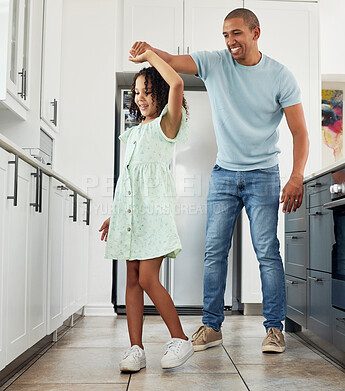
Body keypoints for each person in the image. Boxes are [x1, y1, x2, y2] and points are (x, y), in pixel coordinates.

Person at [130, 7, 309, 354]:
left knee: (267, 252)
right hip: (224, 173)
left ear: (256, 33)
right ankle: (211, 327)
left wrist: (296, 175)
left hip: (263, 175)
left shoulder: (280, 76)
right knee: (214, 252)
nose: (230, 41)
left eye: (237, 33)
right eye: (225, 35)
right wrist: (150, 50)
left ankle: (274, 329)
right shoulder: (214, 62)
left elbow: (300, 132)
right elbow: (172, 61)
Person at [99, 49, 194, 372]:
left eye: (147, 91)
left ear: (161, 94)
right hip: (130, 213)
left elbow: (178, 83)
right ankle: (135, 349)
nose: (140, 98)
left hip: (153, 213)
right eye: (136, 92)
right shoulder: (136, 131)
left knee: (148, 278)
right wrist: (117, 213)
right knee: (132, 279)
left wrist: (151, 57)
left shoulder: (166, 125)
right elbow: (128, 180)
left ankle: (180, 338)